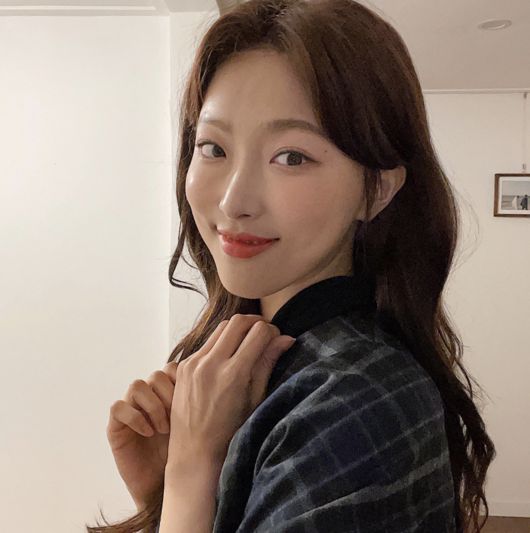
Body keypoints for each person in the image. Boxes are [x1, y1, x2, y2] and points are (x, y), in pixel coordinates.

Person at [86, 1, 496, 532]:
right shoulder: (258, 365)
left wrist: (192, 468)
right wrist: (161, 493)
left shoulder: (354, 398)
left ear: (377, 190)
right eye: (212, 147)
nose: (233, 201)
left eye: (291, 157)